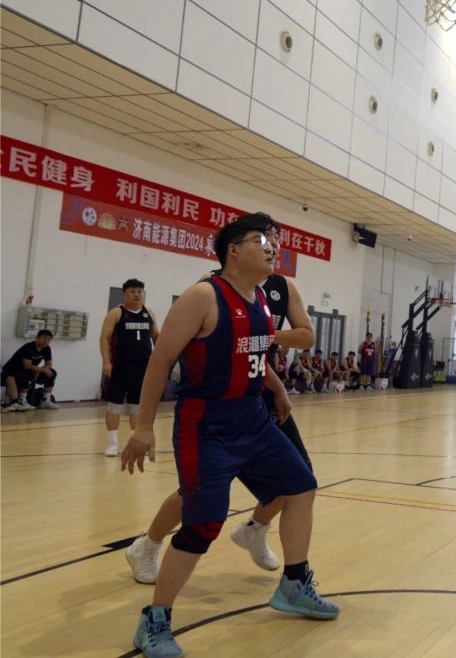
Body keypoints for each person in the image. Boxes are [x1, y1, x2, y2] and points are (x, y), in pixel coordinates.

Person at [120, 214, 337, 658]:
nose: (271, 248)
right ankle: (154, 620)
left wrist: (277, 389)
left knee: (301, 486)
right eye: (261, 241)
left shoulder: (261, 300)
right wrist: (143, 426)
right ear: (233, 251)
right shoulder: (203, 295)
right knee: (204, 523)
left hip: (253, 419)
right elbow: (161, 361)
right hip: (207, 426)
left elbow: (253, 355)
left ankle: (294, 584)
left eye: (272, 242)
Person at [99, 278, 159, 456]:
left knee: (137, 406)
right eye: (132, 291)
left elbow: (157, 337)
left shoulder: (149, 313)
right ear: (124, 294)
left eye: (140, 291)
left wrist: (161, 360)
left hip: (143, 366)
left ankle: (135, 443)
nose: (137, 294)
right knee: (114, 405)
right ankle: (112, 444)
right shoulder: (117, 313)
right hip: (120, 366)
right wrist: (106, 361)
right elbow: (104, 338)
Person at [1, 329, 58, 411]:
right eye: (44, 338)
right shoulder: (29, 347)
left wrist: (41, 370)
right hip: (13, 370)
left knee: (52, 373)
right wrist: (40, 370)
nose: (46, 341)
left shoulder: (47, 348)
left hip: (30, 370)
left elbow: (49, 364)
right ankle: (21, 401)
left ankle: (45, 400)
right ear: (37, 338)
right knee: (24, 374)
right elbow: (27, 366)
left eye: (49, 339)